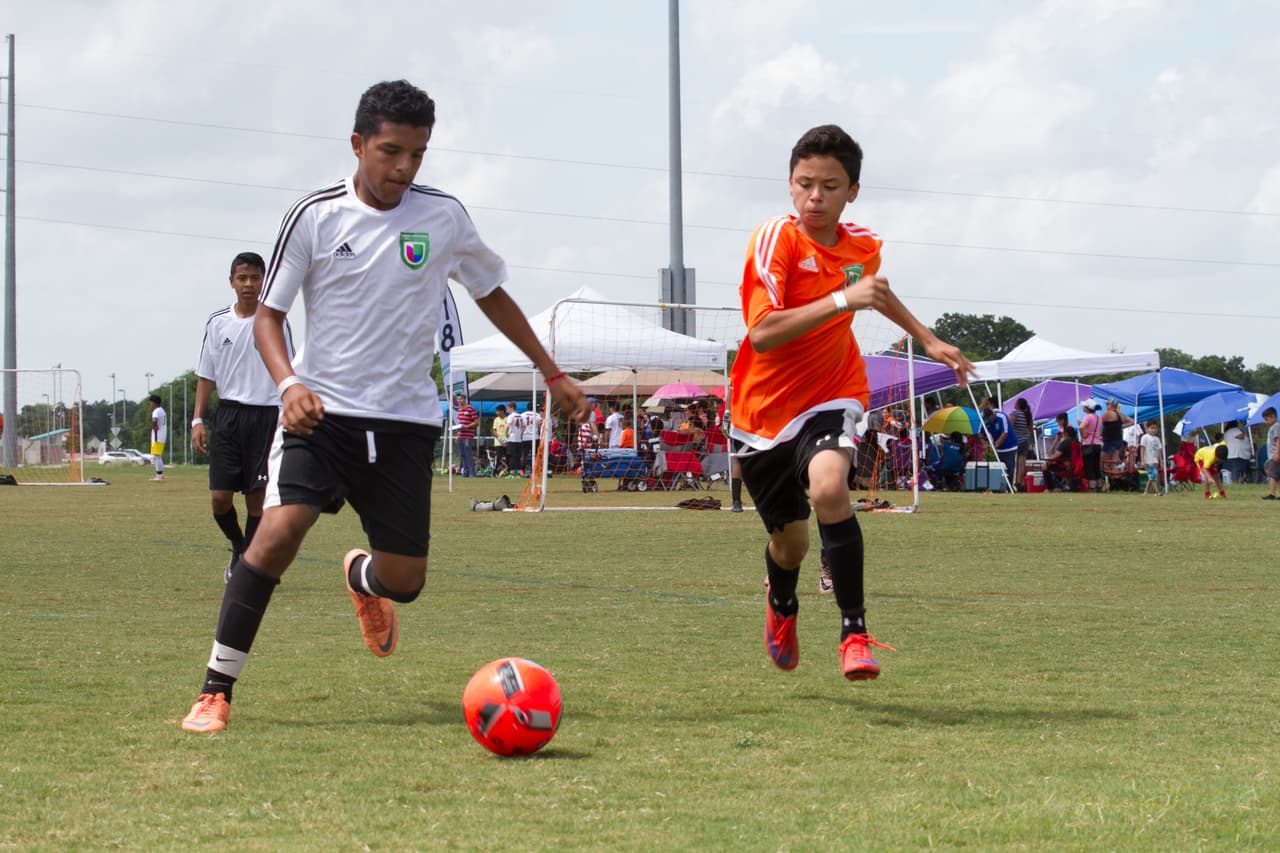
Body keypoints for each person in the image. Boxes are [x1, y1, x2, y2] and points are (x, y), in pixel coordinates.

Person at [180, 80, 590, 733]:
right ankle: (215, 690)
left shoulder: (443, 217)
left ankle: (363, 577)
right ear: (358, 144)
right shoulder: (316, 215)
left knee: (406, 580)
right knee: (278, 532)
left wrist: (551, 371)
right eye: (391, 152)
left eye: (418, 154)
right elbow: (269, 317)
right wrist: (289, 384)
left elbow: (492, 294)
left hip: (404, 423)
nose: (404, 168)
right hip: (321, 414)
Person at [728, 124, 973, 683]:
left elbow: (876, 292)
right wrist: (843, 298)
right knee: (788, 545)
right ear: (790, 186)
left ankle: (854, 633)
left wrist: (929, 340)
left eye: (830, 186)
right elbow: (763, 333)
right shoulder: (776, 239)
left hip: (833, 394)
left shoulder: (862, 246)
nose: (816, 197)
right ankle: (782, 604)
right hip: (763, 412)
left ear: (852, 192)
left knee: (831, 488)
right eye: (805, 184)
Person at [192, 251, 295, 581]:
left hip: (267, 416)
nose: (249, 284)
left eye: (255, 278)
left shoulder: (276, 321)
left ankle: (247, 565)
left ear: (265, 281)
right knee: (220, 499)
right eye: (243, 278)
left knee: (257, 500)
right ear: (232, 282)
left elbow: (291, 371)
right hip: (229, 416)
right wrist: (197, 420)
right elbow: (206, 375)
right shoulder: (217, 322)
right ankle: (240, 547)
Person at [980, 398, 1017, 490]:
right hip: (997, 448)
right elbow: (980, 434)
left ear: (993, 415)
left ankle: (1009, 488)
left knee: (1009, 468)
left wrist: (995, 445)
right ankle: (998, 487)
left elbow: (1004, 433)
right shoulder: (985, 421)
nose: (989, 421)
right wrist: (985, 444)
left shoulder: (1002, 417)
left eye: (989, 418)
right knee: (997, 468)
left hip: (1009, 446)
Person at [1100, 398, 1134, 467]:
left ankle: (1105, 476)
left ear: (1111, 405)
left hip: (1109, 441)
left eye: (1107, 404)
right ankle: (1114, 476)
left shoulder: (1108, 414)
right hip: (1118, 441)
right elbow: (1132, 421)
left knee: (1103, 462)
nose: (1106, 406)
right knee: (1114, 462)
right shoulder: (1120, 415)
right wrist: (1120, 426)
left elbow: (1098, 423)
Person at [1078, 401, 1104, 492]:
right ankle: (1099, 486)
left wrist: (1083, 435)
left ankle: (1092, 487)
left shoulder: (1088, 417)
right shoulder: (1098, 418)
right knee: (1096, 466)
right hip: (1097, 444)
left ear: (1087, 408)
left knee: (1089, 466)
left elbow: (1081, 427)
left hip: (1088, 444)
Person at [1010, 398, 1035, 491]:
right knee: (1021, 463)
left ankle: (1012, 480)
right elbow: (1031, 430)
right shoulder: (1028, 415)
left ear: (1018, 405)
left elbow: (1010, 428)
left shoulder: (1014, 414)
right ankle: (1019, 482)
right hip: (1025, 441)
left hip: (1015, 441)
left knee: (1013, 461)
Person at [453, 393, 478, 477]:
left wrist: (467, 426)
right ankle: (465, 472)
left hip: (468, 435)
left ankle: (472, 473)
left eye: (461, 399)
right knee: (462, 455)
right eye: (458, 399)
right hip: (460, 435)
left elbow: (476, 422)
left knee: (468, 454)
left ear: (465, 399)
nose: (459, 401)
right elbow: (460, 423)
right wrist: (457, 435)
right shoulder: (459, 410)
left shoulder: (471, 408)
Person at [1222, 420, 1252, 485]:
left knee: (1235, 469)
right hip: (1237, 454)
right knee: (1236, 470)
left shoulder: (1227, 432)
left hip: (1231, 454)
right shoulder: (1234, 430)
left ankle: (1236, 481)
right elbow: (1241, 436)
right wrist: (1244, 429)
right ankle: (1235, 482)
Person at [1139, 421, 1164, 495]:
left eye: (1155, 428)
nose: (1153, 430)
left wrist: (1161, 461)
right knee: (1152, 476)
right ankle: (1157, 492)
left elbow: (1159, 450)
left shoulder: (1157, 439)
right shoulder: (1145, 437)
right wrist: (1142, 460)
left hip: (1155, 461)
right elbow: (1142, 449)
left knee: (1152, 476)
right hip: (1148, 460)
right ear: (1147, 429)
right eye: (1151, 428)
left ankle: (1146, 491)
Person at [148, 394, 167, 481]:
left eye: (151, 403)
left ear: (154, 403)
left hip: (157, 436)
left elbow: (154, 419)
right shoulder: (162, 410)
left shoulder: (156, 411)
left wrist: (154, 426)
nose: (150, 405)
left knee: (157, 456)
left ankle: (159, 475)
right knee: (157, 456)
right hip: (162, 435)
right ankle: (159, 474)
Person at [1262, 407, 1279, 500]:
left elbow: (1278, 439)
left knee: (1272, 475)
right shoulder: (1274, 427)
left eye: (1266, 419)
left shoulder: (1276, 426)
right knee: (1278, 476)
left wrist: (1277, 453)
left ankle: (1272, 494)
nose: (1265, 422)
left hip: (1274, 455)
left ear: (1272, 417)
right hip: (1273, 455)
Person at [504, 401, 524, 476]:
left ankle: (512, 471)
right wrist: (521, 434)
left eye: (508, 408)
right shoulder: (520, 416)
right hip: (518, 438)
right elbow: (523, 426)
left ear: (512, 408)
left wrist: (506, 433)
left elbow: (508, 425)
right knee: (518, 456)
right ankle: (519, 471)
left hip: (512, 438)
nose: (507, 410)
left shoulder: (511, 416)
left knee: (511, 455)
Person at [490, 404, 509, 476]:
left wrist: (506, 441)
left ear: (502, 411)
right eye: (496, 411)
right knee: (499, 458)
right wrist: (501, 440)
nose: (496, 413)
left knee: (508, 457)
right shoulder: (496, 419)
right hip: (498, 442)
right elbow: (494, 431)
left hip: (507, 442)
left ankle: (507, 472)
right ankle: (494, 472)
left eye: (498, 411)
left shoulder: (507, 419)